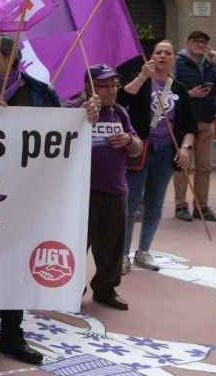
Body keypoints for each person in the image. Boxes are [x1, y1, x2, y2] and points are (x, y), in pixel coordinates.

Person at [0, 34, 71, 369]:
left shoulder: (40, 94)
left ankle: (11, 336)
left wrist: (86, 116)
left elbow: (61, 136)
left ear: (11, 61)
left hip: (26, 198)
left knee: (17, 269)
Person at [119, 41, 198, 272]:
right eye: (158, 52)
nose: (163, 56)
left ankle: (144, 251)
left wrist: (185, 148)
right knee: (131, 202)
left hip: (166, 153)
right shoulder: (141, 82)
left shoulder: (180, 89)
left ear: (173, 58)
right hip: (139, 150)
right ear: (151, 56)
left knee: (155, 203)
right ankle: (122, 255)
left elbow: (190, 126)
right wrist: (143, 76)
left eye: (168, 53)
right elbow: (122, 101)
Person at [81, 65, 142, 311]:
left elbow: (137, 148)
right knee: (76, 244)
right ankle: (71, 290)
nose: (112, 91)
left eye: (114, 85)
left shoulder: (120, 113)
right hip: (80, 192)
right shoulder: (74, 110)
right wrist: (83, 116)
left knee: (112, 245)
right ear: (89, 87)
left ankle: (106, 289)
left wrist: (129, 141)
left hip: (115, 189)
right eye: (104, 86)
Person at [172, 31, 216, 222]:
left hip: (206, 121)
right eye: (196, 41)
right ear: (188, 42)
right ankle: (180, 206)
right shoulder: (178, 63)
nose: (200, 45)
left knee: (204, 167)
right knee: (183, 165)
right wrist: (188, 95)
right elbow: (169, 92)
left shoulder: (211, 65)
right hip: (185, 124)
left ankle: (201, 207)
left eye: (204, 42)